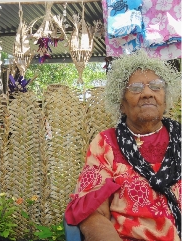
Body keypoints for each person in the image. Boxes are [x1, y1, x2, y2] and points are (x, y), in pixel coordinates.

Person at [65, 50, 181, 241]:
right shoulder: (106, 144)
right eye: (135, 88)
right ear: (121, 103)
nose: (147, 93)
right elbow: (93, 213)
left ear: (165, 97)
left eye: (156, 86)